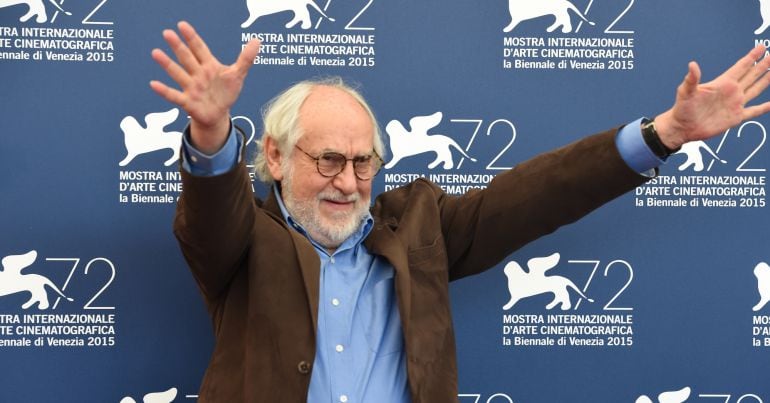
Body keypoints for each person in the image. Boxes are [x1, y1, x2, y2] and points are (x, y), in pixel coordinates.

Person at [150, 21, 770, 403]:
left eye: (365, 162)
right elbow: (210, 209)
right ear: (276, 158)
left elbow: (539, 193)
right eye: (330, 160)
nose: (349, 182)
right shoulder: (241, 242)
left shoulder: (421, 225)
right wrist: (209, 133)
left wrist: (661, 133)